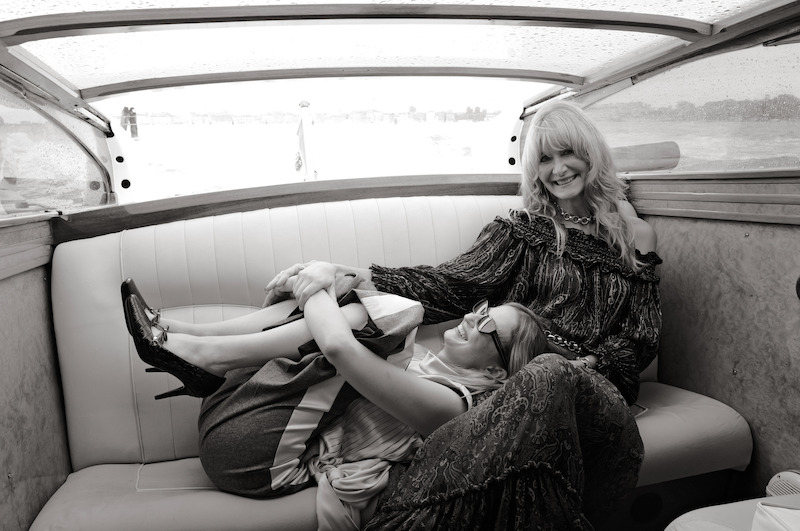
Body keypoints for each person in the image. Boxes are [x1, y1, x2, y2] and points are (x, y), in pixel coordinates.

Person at [267, 100, 661, 407]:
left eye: (567, 153)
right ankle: (215, 352)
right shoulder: (523, 232)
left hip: (594, 385)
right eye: (544, 158)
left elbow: (642, 334)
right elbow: (449, 285)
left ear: (590, 153)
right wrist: (341, 270)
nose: (557, 169)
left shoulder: (636, 235)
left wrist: (593, 366)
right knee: (361, 310)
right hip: (521, 379)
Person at [122, 271, 551, 529]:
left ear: (496, 372)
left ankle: (199, 352)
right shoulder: (424, 367)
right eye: (481, 308)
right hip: (240, 422)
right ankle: (186, 337)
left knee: (392, 317)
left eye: (487, 323)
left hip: (255, 462)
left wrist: (316, 289)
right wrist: (326, 284)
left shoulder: (456, 408)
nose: (473, 318)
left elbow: (340, 350)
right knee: (361, 303)